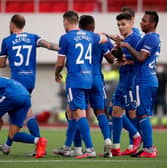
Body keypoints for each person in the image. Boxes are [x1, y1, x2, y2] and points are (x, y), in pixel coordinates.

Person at [0, 14, 59, 156]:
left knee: (17, 115)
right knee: (27, 112)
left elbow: (2, 65)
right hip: (31, 80)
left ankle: (21, 143)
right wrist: (65, 49)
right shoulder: (32, 37)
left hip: (16, 82)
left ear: (12, 24)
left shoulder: (7, 41)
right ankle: (8, 145)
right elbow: (49, 45)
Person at [54, 11, 108, 158]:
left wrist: (56, 73)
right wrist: (109, 36)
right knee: (71, 112)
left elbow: (59, 63)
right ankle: (71, 147)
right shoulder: (90, 36)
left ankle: (89, 149)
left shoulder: (65, 38)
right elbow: (103, 38)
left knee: (79, 114)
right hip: (89, 78)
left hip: (75, 79)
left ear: (66, 21)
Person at [71, 15, 114, 158]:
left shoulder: (77, 38)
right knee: (100, 112)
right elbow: (110, 59)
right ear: (92, 26)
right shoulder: (98, 39)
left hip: (82, 78)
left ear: (80, 26)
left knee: (79, 112)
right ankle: (108, 140)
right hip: (96, 78)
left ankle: (78, 147)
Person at [119, 11, 160, 158]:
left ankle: (149, 148)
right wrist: (127, 60)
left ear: (152, 23)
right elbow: (139, 59)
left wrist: (127, 46)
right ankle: (148, 146)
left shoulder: (151, 38)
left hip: (144, 80)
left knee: (142, 114)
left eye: (144, 21)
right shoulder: (150, 38)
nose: (141, 23)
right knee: (142, 113)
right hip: (146, 79)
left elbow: (142, 57)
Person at [110, 13, 142, 156]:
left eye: (123, 24)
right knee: (115, 111)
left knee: (130, 111)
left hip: (130, 80)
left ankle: (137, 138)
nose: (120, 27)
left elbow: (141, 59)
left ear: (131, 24)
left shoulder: (134, 38)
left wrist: (126, 61)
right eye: (118, 25)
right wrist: (116, 53)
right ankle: (116, 147)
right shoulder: (125, 40)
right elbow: (124, 58)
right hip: (123, 78)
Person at [0, 77, 47, 158]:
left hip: (12, 95)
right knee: (13, 135)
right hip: (25, 95)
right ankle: (39, 141)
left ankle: (6, 147)